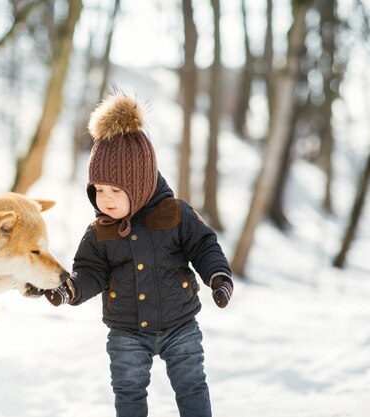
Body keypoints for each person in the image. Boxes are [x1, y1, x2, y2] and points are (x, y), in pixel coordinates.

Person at [44, 93, 234, 417]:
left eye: (116, 191)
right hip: (126, 331)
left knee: (192, 385)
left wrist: (218, 276)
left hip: (180, 324)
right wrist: (70, 289)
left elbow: (204, 245)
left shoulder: (175, 214)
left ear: (141, 183)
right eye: (99, 190)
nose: (106, 199)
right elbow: (90, 270)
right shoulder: (99, 231)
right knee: (128, 392)